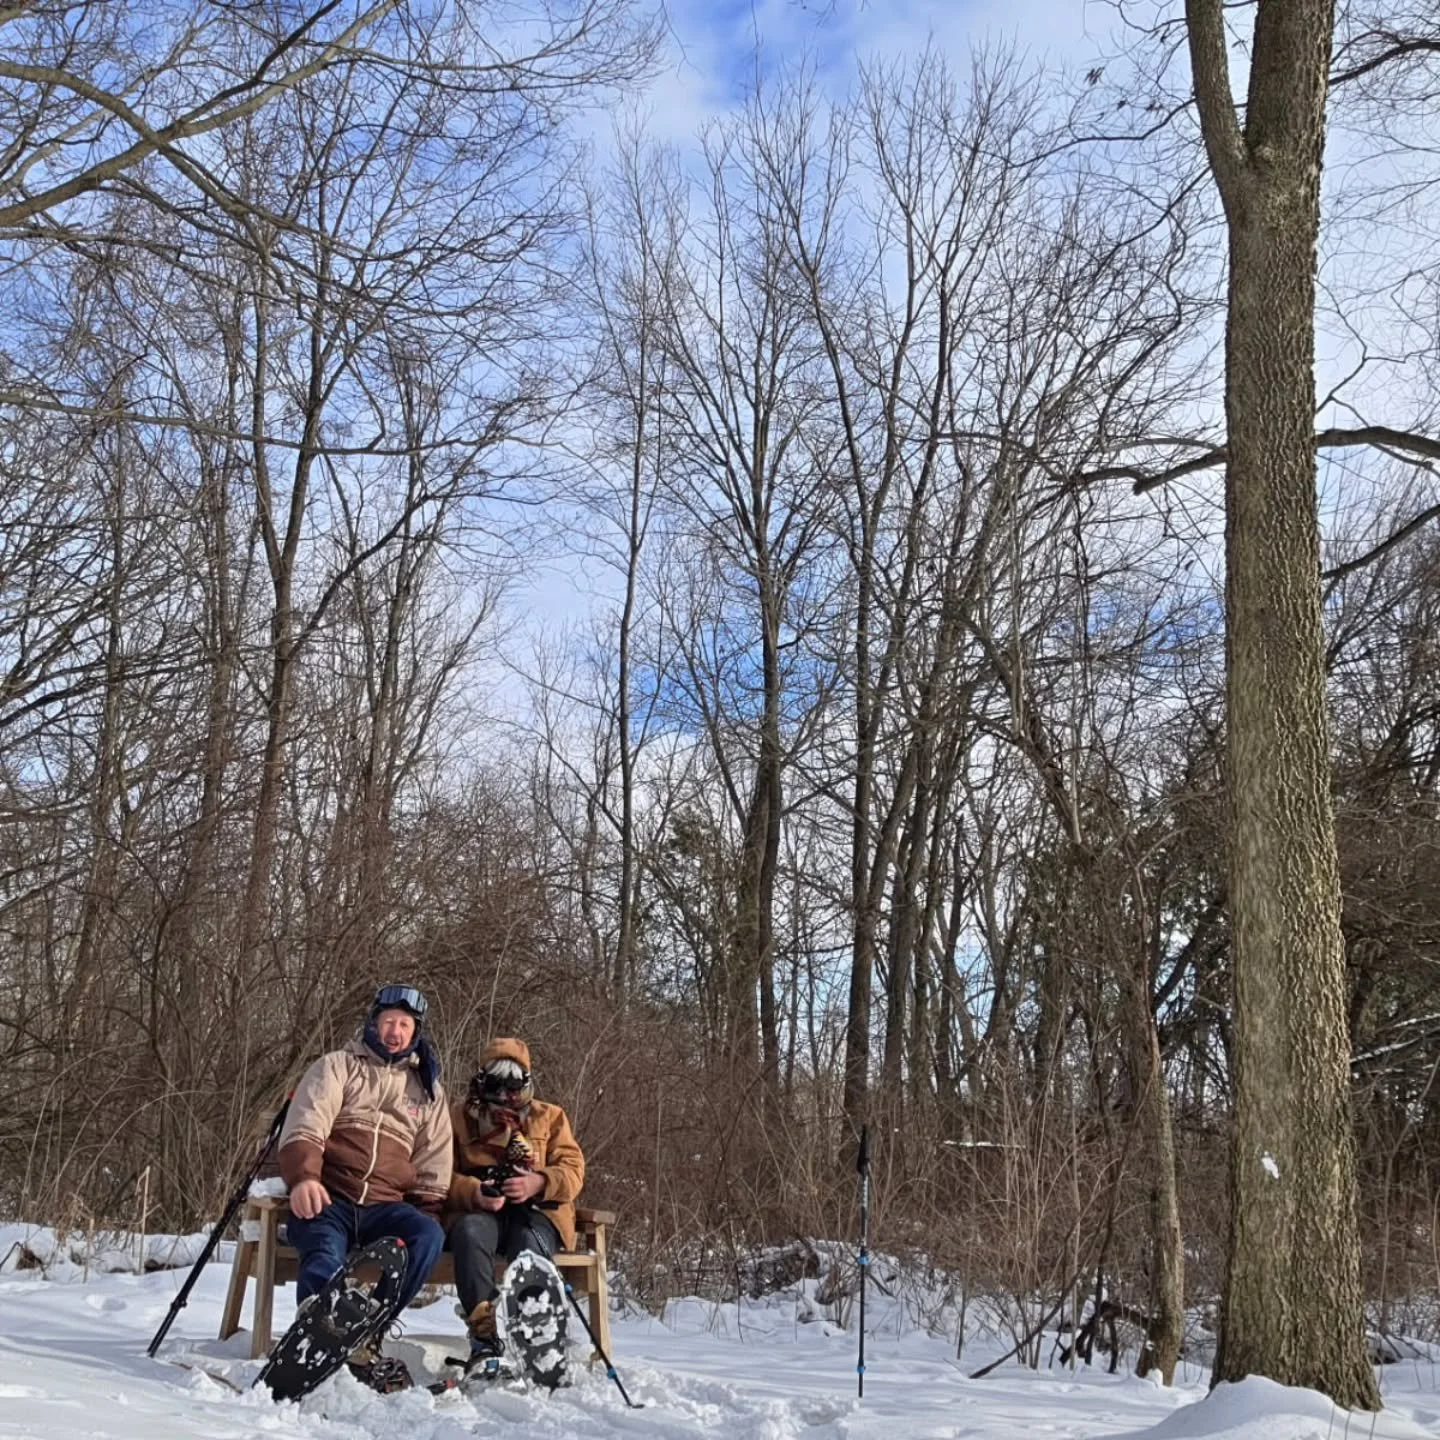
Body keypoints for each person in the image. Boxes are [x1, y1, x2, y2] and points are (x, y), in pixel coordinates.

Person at [277, 983, 452, 1391]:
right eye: (388, 1021)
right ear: (373, 1024)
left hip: (385, 1205)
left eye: (404, 1025)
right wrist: (304, 1178)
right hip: (332, 1196)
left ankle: (369, 1330)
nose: (395, 1031)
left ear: (415, 1032)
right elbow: (307, 1121)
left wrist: (428, 1207)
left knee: (427, 1234)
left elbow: (435, 1156)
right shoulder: (337, 1066)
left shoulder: (427, 1088)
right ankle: (319, 1325)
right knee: (322, 1244)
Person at [445, 1037, 585, 1367]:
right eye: (497, 1083)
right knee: (470, 1232)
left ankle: (535, 1333)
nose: (506, 1094)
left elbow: (573, 1170)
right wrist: (473, 1191)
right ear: (482, 1080)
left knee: (528, 1245)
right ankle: (483, 1333)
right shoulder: (457, 1117)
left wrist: (539, 1181)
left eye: (514, 1084)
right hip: (482, 1211)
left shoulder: (550, 1117)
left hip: (535, 1212)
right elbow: (437, 1175)